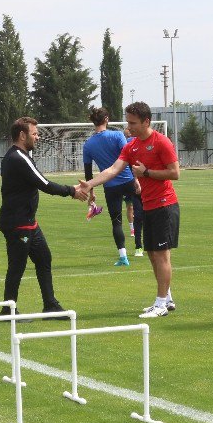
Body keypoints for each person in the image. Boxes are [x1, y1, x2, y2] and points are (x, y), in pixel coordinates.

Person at [82, 102, 179, 318]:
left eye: (133, 122)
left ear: (146, 121)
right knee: (153, 254)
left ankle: (161, 303)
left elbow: (175, 173)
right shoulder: (131, 145)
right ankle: (167, 299)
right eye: (128, 122)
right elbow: (113, 169)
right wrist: (91, 184)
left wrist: (146, 173)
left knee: (162, 256)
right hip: (149, 204)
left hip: (165, 205)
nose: (129, 126)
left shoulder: (161, 142)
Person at [0, 117, 88, 318]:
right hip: (18, 223)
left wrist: (71, 190)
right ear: (22, 135)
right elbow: (44, 184)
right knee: (17, 265)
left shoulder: (21, 156)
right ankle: (7, 310)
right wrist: (71, 191)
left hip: (28, 222)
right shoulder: (18, 158)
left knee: (44, 258)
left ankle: (50, 305)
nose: (38, 137)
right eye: (34, 133)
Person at [83, 107, 139, 267]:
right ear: (106, 119)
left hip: (110, 186)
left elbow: (88, 174)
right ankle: (145, 247)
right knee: (142, 213)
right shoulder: (117, 135)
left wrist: (91, 193)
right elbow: (129, 157)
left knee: (116, 222)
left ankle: (123, 257)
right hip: (128, 180)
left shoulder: (88, 145)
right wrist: (136, 178)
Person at [124, 127, 143, 256]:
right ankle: (139, 246)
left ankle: (140, 247)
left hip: (143, 185)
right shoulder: (129, 145)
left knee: (140, 215)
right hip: (135, 186)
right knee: (139, 214)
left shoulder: (144, 144)